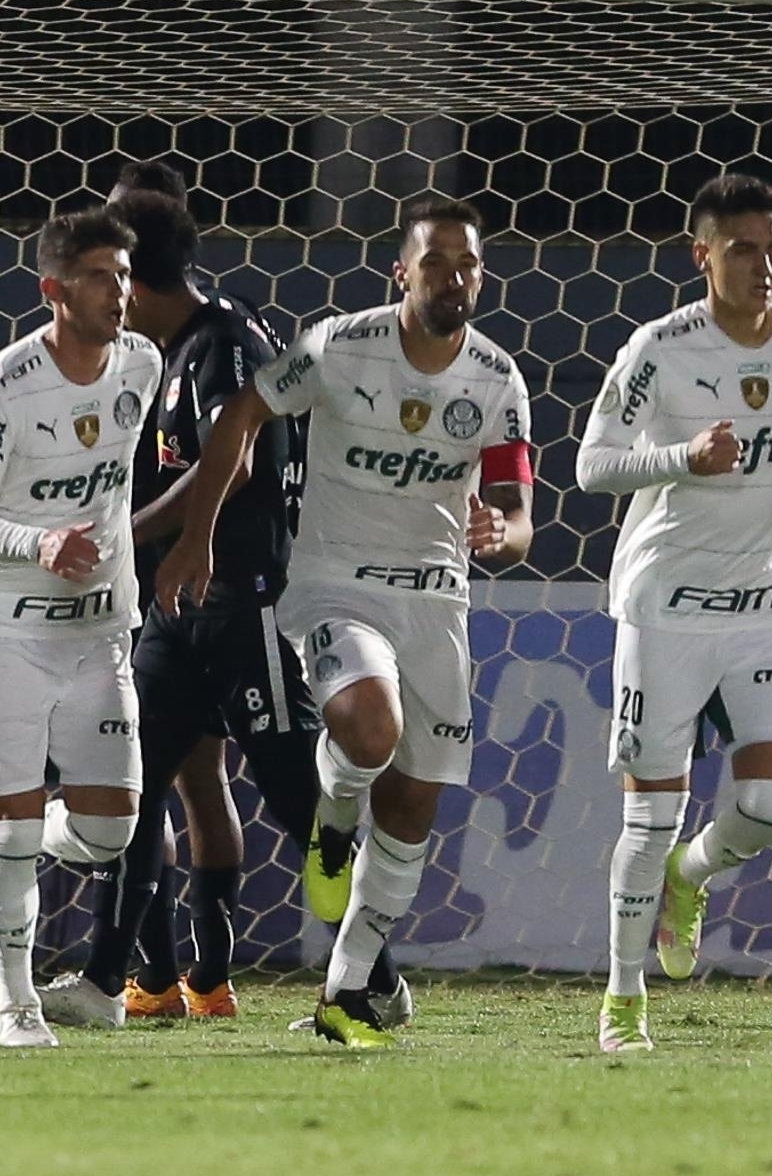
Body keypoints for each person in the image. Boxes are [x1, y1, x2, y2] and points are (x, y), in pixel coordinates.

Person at [155, 195, 534, 1050]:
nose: (453, 277)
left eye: (467, 263)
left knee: (412, 811)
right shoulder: (339, 345)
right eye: (435, 261)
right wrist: (199, 535)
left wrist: (497, 534)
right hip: (337, 585)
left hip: (437, 598)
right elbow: (248, 411)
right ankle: (333, 818)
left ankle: (346, 992)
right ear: (402, 271)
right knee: (369, 728)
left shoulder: (496, 378)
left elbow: (519, 515)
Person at [37, 188, 410, 1027]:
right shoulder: (178, 342)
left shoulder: (222, 341)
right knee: (127, 786)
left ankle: (375, 976)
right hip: (180, 611)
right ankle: (109, 984)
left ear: (137, 276)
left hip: (249, 608)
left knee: (293, 799)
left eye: (114, 266)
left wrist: (142, 534)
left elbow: (231, 462)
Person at [576, 173, 772, 1053]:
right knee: (647, 816)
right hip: (667, 608)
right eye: (744, 249)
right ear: (703, 255)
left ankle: (692, 877)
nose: (766, 265)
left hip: (764, 604)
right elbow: (591, 465)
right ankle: (622, 1001)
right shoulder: (659, 347)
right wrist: (684, 455)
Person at [0, 207, 161, 1047]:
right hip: (1, 623)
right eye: (103, 277)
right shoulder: (6, 385)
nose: (122, 293)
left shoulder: (141, 361)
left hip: (97, 627)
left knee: (112, 831)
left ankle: (28, 837)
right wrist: (37, 541)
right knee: (15, 825)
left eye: (127, 276)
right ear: (55, 290)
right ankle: (16, 1004)